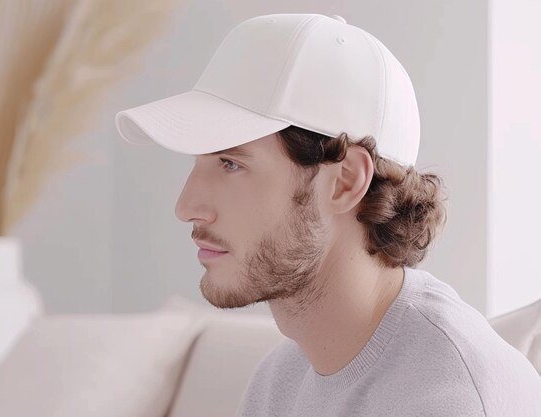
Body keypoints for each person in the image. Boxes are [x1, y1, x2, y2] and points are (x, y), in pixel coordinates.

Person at [114, 13, 541, 417]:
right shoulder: (281, 379)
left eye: (230, 163)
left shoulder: (452, 395)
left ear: (346, 181)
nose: (186, 206)